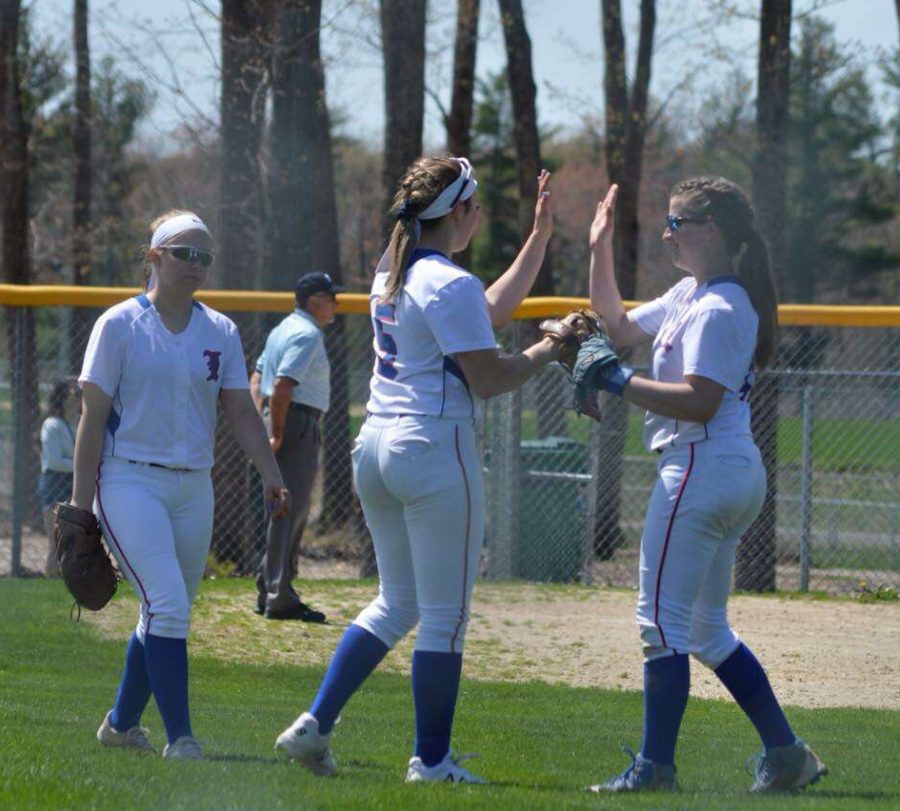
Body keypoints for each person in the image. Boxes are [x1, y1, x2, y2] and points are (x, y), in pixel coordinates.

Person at [274, 157, 561, 783]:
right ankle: (431, 761)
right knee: (445, 616)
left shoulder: (392, 270)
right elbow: (486, 377)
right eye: (475, 204)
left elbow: (486, 314)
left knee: (396, 602)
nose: (478, 214)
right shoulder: (445, 282)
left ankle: (314, 726)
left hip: (376, 445)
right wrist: (551, 349)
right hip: (433, 448)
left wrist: (538, 238)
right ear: (456, 212)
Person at [583, 178, 827, 793]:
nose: (667, 232)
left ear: (711, 228)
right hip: (722, 467)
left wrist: (614, 382)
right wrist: (598, 246)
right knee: (705, 631)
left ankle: (654, 769)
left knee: (658, 624)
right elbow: (614, 325)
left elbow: (698, 401)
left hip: (700, 462)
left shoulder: (720, 306)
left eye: (676, 221)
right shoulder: (693, 292)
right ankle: (787, 753)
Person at [72, 209, 288, 760]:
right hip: (128, 479)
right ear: (155, 256)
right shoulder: (119, 324)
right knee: (168, 605)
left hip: (195, 486)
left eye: (204, 257)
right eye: (184, 253)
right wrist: (79, 507)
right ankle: (183, 740)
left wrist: (270, 471)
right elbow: (91, 418)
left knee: (164, 610)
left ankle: (121, 725)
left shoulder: (220, 330)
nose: (196, 265)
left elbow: (240, 410)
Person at [249, 272, 341, 622]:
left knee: (282, 509)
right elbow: (284, 385)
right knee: (291, 510)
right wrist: (278, 431)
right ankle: (279, 595)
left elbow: (257, 378)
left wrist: (263, 423)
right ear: (314, 301)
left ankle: (269, 586)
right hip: (297, 423)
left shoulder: (282, 329)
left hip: (284, 418)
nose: (336, 304)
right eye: (332, 298)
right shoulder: (306, 333)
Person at [38, 377, 80, 576]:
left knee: (69, 543)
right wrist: (82, 466)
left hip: (72, 485)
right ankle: (50, 580)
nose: (78, 393)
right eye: (73, 390)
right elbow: (54, 461)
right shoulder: (52, 424)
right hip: (54, 484)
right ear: (63, 396)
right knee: (55, 542)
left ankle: (65, 581)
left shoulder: (75, 425)